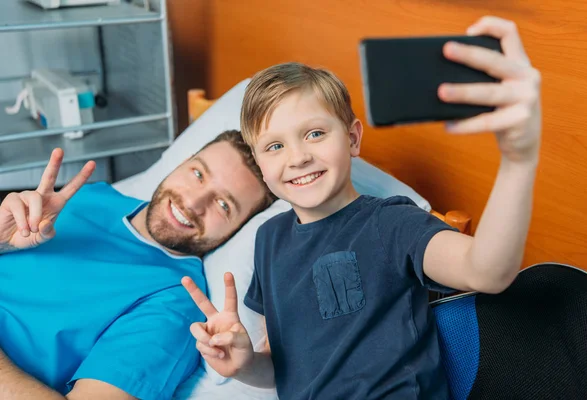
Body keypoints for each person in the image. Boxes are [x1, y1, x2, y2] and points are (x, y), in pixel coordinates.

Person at [182, 16, 541, 400]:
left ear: (352, 139)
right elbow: (281, 367)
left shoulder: (391, 222)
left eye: (315, 134)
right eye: (275, 146)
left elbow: (486, 272)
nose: (298, 157)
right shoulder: (268, 240)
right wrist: (244, 364)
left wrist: (518, 160)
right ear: (260, 164)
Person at [0, 130, 275, 400]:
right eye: (198, 174)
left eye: (223, 205)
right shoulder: (95, 196)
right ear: (183, 162)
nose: (193, 202)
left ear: (239, 229)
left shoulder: (174, 303)